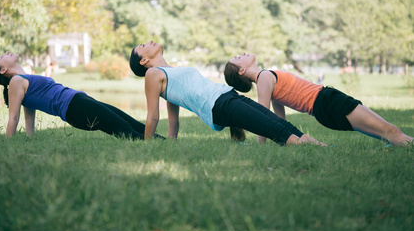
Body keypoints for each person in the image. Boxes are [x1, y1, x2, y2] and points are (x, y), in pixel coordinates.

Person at [129, 41, 326, 146]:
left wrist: (171, 143)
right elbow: (154, 115)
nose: (151, 42)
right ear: (143, 62)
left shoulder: (169, 72)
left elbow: (173, 120)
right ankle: (303, 146)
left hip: (227, 96)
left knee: (278, 122)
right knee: (272, 128)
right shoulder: (153, 74)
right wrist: (149, 146)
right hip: (219, 105)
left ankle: (318, 146)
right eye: (144, 46)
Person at [224, 52, 413, 146]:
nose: (243, 53)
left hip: (326, 105)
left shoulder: (267, 78)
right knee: (391, 132)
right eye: (238, 57)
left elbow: (279, 122)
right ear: (241, 70)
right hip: (327, 103)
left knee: (388, 135)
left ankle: (403, 144)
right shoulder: (264, 78)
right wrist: (262, 145)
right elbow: (263, 118)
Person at [0, 51, 153, 139]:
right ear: (3, 70)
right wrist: (9, 142)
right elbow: (13, 117)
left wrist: (30, 138)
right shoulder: (16, 81)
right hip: (75, 108)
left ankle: (163, 141)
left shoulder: (23, 79)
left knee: (128, 121)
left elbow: (29, 112)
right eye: (2, 57)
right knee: (123, 129)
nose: (7, 52)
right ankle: (151, 144)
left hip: (79, 102)